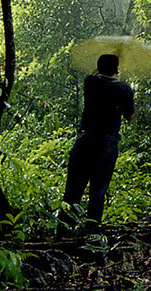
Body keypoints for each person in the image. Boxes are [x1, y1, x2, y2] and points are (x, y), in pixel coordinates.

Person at [60, 53, 134, 228]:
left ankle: (64, 228)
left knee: (73, 188)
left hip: (85, 140)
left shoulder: (90, 83)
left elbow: (95, 74)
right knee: (98, 190)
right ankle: (91, 229)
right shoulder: (124, 89)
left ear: (99, 68)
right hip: (107, 142)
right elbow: (129, 115)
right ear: (117, 69)